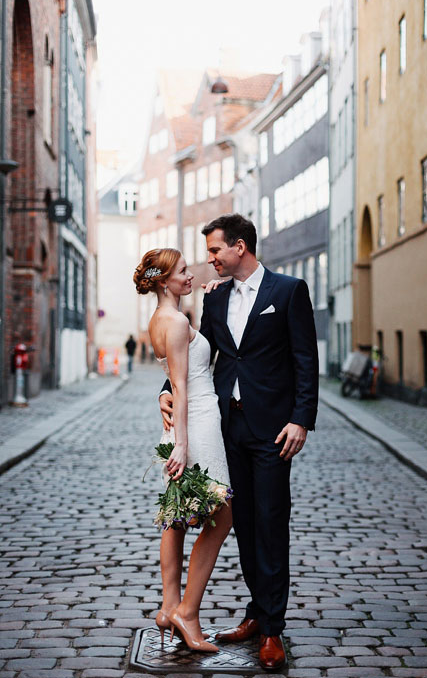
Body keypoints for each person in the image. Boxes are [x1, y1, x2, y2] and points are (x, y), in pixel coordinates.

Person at [159, 213, 318, 671]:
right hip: (226, 428)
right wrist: (165, 392)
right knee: (242, 522)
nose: (210, 260)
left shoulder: (288, 291)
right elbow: (194, 358)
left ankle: (272, 629)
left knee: (270, 522)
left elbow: (305, 360)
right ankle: (256, 611)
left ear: (240, 247)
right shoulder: (216, 297)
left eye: (214, 251)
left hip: (273, 431)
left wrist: (301, 420)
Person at [134, 248, 232, 654]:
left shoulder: (161, 319)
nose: (190, 275)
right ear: (162, 280)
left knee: (176, 516)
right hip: (197, 423)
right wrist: (184, 445)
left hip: (183, 424)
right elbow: (181, 386)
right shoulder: (175, 322)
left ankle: (168, 606)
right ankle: (186, 612)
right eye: (182, 271)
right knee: (223, 516)